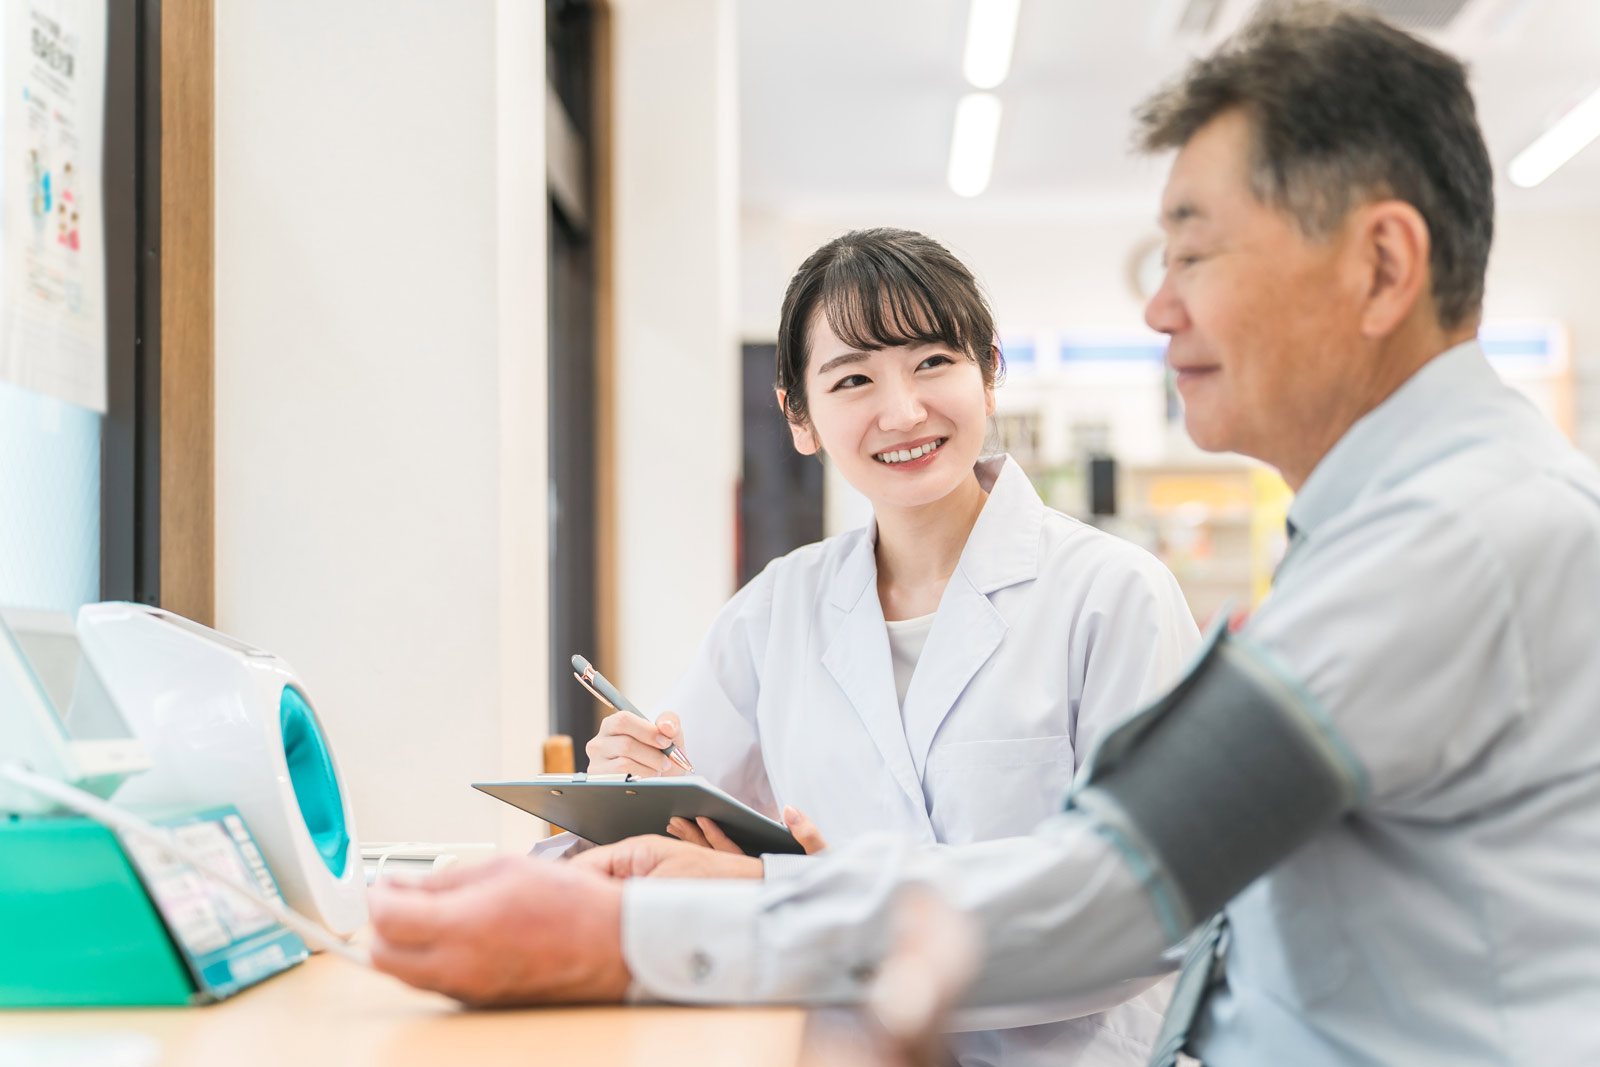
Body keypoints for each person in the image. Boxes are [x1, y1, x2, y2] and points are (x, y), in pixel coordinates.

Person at [367, 5, 1600, 1064]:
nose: (1158, 306)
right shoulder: (1416, 524)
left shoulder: (1452, 545)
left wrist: (637, 933)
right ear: (800, 414)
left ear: (1382, 265)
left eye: (1193, 252)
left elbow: (1112, 890)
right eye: (851, 379)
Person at [577, 226, 1199, 1067]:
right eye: (854, 379)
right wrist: (622, 787)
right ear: (800, 416)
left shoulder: (1115, 595)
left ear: (990, 371)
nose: (903, 411)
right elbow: (659, 836)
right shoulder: (777, 610)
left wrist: (795, 893)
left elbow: (1137, 913)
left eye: (934, 362)